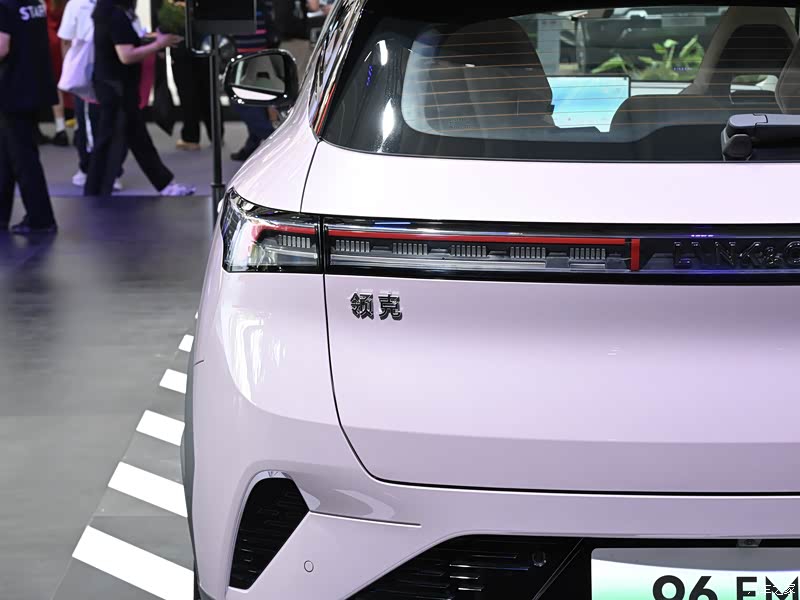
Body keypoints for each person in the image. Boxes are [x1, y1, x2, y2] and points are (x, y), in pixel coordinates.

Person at [85, 0, 193, 197]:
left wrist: (151, 42)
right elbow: (126, 55)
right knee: (112, 142)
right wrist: (158, 44)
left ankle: (164, 184)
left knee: (135, 138)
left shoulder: (108, 13)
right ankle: (95, 193)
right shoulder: (116, 16)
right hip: (118, 90)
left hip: (115, 87)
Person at [0, 0, 59, 234]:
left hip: (11, 88)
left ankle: (40, 217)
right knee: (6, 154)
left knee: (23, 157)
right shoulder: (34, 2)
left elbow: (2, 47)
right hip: (32, 84)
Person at [230, 0, 278, 162]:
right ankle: (252, 145)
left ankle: (274, 140)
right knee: (255, 99)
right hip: (258, 47)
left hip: (249, 49)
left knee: (241, 100)